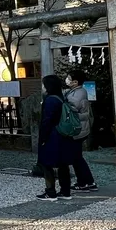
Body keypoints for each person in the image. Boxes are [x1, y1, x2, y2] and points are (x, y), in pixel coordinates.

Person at [37, 74, 72, 202]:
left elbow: (47, 121)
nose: (42, 87)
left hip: (52, 135)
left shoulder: (50, 100)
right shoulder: (61, 98)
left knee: (47, 164)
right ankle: (66, 191)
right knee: (63, 164)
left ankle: (51, 192)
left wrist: (42, 138)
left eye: (43, 84)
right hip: (63, 134)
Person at [65, 70, 98, 192]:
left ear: (75, 82)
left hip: (78, 130)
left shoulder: (78, 94)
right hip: (80, 129)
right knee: (77, 157)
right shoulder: (77, 91)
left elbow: (71, 106)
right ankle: (87, 182)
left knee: (76, 158)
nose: (67, 79)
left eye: (69, 78)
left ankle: (85, 182)